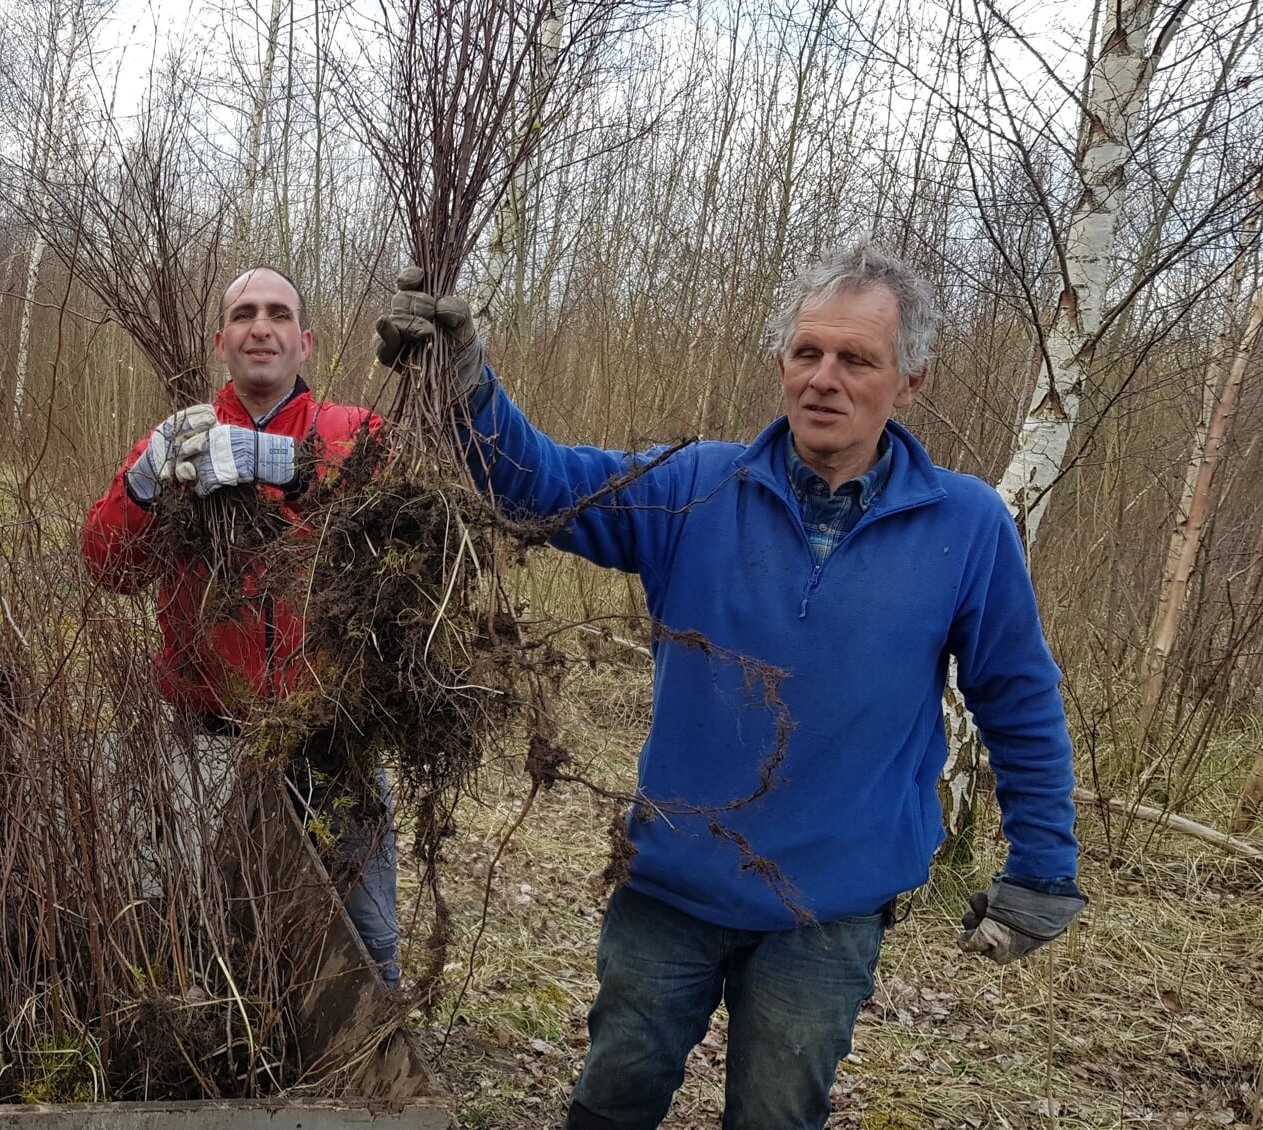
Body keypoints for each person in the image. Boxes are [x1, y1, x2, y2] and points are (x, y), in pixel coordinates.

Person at [374, 248, 1086, 1128]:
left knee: (777, 1113)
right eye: (805, 353)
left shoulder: (967, 526)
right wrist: (463, 380)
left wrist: (1045, 869)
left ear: (911, 383)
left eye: (856, 360)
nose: (823, 379)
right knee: (615, 1091)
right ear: (782, 364)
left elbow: (1017, 700)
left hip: (826, 909)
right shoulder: (698, 488)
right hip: (672, 883)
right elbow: (540, 486)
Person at [81, 265, 403, 988]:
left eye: (279, 314)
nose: (263, 326)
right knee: (194, 927)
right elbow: (108, 567)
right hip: (206, 736)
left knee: (365, 940)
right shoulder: (179, 442)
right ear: (222, 340)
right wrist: (144, 485)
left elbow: (398, 517)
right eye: (246, 314)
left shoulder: (354, 433)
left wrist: (284, 463)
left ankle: (370, 1065)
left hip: (332, 735)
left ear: (305, 341)